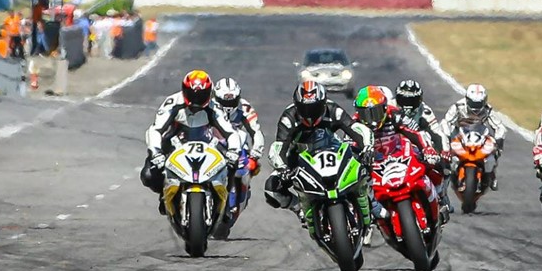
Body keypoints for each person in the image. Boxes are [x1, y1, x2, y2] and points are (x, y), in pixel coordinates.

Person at [264, 80, 375, 229]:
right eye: (304, 109)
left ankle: (366, 201)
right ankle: (299, 209)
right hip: (299, 158)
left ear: (323, 103)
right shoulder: (288, 118)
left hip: (333, 151)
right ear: (297, 106)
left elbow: (355, 129)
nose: (309, 115)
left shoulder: (333, 109)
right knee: (271, 188)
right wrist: (283, 168)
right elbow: (278, 148)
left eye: (314, 108)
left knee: (364, 163)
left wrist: (367, 148)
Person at [140, 70, 245, 215]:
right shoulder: (172, 103)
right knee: (148, 175)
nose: (196, 99)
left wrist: (234, 151)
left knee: (233, 164)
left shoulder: (215, 107)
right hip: (174, 144)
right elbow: (155, 130)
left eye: (201, 95)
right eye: (193, 94)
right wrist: (156, 152)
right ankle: (164, 194)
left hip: (208, 144)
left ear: (209, 92)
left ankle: (225, 201)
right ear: (184, 90)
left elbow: (231, 132)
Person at [355, 85, 450, 222]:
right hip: (374, 163)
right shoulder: (354, 123)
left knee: (435, 163)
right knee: (356, 182)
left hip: (399, 153)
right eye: (366, 114)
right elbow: (348, 145)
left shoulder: (395, 113)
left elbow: (416, 133)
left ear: (384, 107)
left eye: (375, 113)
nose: (371, 119)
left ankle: (440, 196)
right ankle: (368, 214)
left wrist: (428, 149)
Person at [441, 83, 509, 191]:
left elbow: (500, 127)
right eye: (473, 103)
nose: (475, 107)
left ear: (484, 101)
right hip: (459, 133)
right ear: (467, 99)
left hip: (480, 133)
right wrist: (447, 139)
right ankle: (446, 180)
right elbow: (446, 122)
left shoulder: (487, 109)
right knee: (444, 160)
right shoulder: (457, 106)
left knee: (494, 151)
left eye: (478, 104)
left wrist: (499, 143)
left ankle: (491, 173)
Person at [213, 77, 265, 171]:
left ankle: (242, 183)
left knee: (252, 167)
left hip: (239, 147)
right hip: (214, 144)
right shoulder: (210, 106)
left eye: (232, 101)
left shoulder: (245, 107)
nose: (228, 105)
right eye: (224, 101)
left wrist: (256, 152)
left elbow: (256, 130)